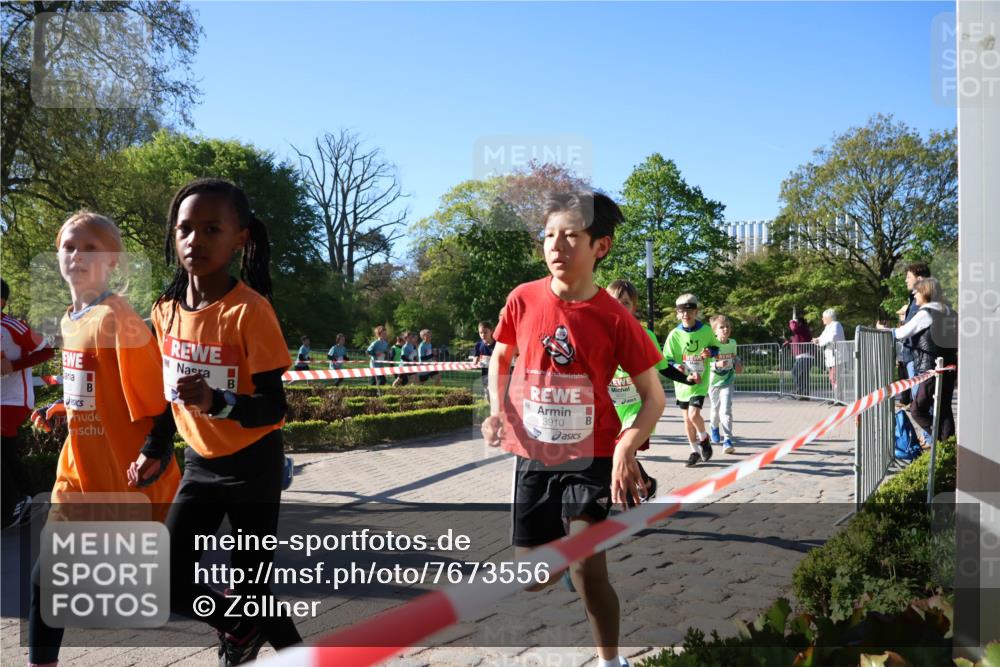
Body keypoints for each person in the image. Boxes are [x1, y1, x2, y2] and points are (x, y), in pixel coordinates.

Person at [482, 191, 665, 667]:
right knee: (533, 577)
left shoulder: (615, 317)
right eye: (548, 236)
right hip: (535, 458)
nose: (556, 246)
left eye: (570, 237)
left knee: (588, 567)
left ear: (599, 247)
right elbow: (501, 357)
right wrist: (496, 409)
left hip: (592, 459)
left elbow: (654, 396)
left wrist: (627, 446)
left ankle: (611, 661)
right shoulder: (523, 299)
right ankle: (562, 549)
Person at [140, 178, 302, 664]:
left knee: (253, 586)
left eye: (212, 229)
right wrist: (154, 445)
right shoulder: (165, 311)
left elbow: (275, 406)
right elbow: (169, 395)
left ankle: (264, 641)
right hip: (200, 465)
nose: (195, 240)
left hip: (253, 464)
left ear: (241, 239)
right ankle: (237, 629)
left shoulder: (250, 312)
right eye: (185, 229)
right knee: (166, 577)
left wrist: (220, 402)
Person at [27, 212, 180, 667]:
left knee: (162, 586)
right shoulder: (72, 318)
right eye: (69, 246)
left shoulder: (119, 319)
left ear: (112, 260)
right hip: (78, 474)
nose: (76, 255)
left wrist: (156, 448)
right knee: (45, 578)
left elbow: (163, 403)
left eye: (90, 248)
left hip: (126, 478)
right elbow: (92, 387)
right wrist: (61, 408)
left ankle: (237, 620)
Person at [1, 278, 54, 527]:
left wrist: (14, 365)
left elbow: (47, 351)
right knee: (8, 455)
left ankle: (12, 506)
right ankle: (30, 502)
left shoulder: (14, 327)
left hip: (13, 400)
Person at [878, 277, 957, 444]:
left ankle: (942, 442)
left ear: (925, 292)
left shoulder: (926, 313)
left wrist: (884, 330)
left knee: (917, 409)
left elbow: (901, 333)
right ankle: (948, 448)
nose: (914, 296)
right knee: (944, 409)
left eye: (916, 292)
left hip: (930, 368)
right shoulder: (950, 311)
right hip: (949, 366)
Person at [662, 294, 720, 467]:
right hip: (682, 383)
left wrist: (710, 351)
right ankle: (694, 451)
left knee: (694, 414)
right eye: (682, 312)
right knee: (687, 419)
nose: (685, 315)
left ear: (696, 312)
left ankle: (704, 438)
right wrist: (675, 365)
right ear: (677, 314)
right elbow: (667, 358)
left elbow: (716, 347)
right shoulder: (674, 334)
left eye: (689, 311)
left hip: (700, 381)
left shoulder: (706, 330)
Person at [895, 261, 931, 405]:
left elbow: (911, 329)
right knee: (919, 404)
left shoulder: (923, 301)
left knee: (921, 405)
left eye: (909, 277)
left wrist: (891, 332)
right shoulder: (914, 299)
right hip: (912, 356)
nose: (906, 280)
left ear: (919, 279)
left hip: (918, 357)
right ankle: (929, 428)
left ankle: (931, 428)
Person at [708, 314, 742, 454]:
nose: (725, 329)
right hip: (713, 383)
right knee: (715, 410)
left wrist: (738, 362)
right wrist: (716, 364)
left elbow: (734, 357)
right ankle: (713, 427)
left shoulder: (732, 343)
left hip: (728, 380)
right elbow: (705, 362)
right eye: (722, 327)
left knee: (726, 410)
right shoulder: (712, 344)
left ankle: (727, 440)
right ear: (715, 331)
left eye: (727, 327)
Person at [813, 308, 846, 398]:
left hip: (837, 357)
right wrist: (817, 340)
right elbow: (822, 337)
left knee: (834, 377)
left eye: (823, 317)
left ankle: (838, 398)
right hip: (832, 357)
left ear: (829, 318)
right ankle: (837, 397)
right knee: (833, 377)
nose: (822, 319)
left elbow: (832, 337)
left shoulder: (836, 324)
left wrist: (820, 341)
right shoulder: (828, 326)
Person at [787, 313, 813, 399]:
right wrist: (789, 342)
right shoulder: (801, 330)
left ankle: (800, 392)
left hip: (805, 355)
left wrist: (791, 321)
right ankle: (803, 394)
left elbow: (794, 328)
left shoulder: (802, 328)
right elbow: (797, 339)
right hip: (801, 356)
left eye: (795, 322)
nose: (794, 324)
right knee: (801, 374)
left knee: (798, 373)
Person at [473, 321, 496, 400]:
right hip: (485, 375)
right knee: (487, 396)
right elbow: (476, 357)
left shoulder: (498, 344)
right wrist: (475, 360)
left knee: (497, 396)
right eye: (481, 333)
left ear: (491, 331)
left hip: (497, 374)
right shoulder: (478, 345)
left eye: (485, 332)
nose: (483, 335)